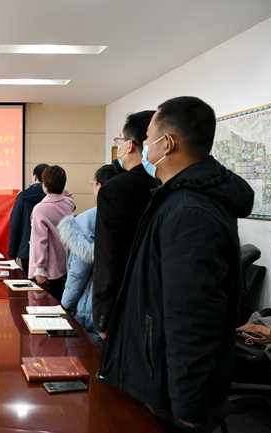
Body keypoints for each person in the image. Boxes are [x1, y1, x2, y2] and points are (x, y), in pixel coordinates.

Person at [98, 96, 254, 432]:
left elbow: (192, 315)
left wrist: (188, 406)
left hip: (171, 389)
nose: (144, 146)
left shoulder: (188, 211)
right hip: (160, 372)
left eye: (148, 138)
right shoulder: (179, 197)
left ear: (166, 144)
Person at [92, 110, 159, 340]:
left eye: (119, 140)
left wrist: (102, 316)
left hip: (125, 300)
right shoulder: (162, 182)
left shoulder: (115, 189)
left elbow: (108, 256)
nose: (118, 146)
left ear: (130, 145)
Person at [58, 164, 121, 348]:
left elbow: (78, 273)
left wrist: (64, 305)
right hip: (121, 304)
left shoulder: (87, 220)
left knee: (84, 356)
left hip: (91, 306)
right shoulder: (131, 215)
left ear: (99, 186)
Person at [28, 165, 75, 301]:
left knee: (41, 306)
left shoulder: (40, 209)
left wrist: (39, 269)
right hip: (62, 267)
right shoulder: (68, 204)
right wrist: (61, 186)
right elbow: (69, 195)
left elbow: (39, 241)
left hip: (45, 270)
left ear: (45, 185)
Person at [9, 163, 48, 271]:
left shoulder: (23, 196)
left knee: (28, 281)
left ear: (35, 177)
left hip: (27, 250)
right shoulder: (55, 198)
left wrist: (13, 251)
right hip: (49, 253)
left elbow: (15, 224)